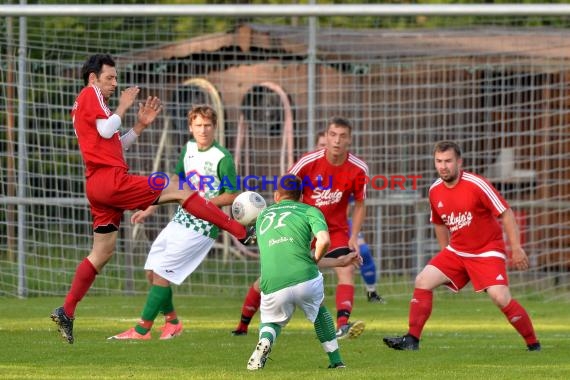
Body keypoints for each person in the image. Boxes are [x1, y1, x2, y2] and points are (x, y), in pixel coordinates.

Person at [51, 54, 253, 344]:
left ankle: (67, 310)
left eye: (116, 78)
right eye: (110, 77)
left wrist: (141, 125)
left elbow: (114, 144)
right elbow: (108, 129)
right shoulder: (90, 93)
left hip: (97, 185)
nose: (115, 83)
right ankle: (240, 231)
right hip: (111, 181)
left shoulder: (89, 106)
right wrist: (124, 105)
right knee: (177, 185)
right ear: (94, 78)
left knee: (102, 253)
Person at [383, 140, 541, 351]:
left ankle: (533, 344)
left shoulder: (477, 184)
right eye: (438, 161)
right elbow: (438, 223)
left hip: (487, 251)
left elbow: (506, 213)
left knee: (499, 296)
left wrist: (516, 248)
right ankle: (412, 340)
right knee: (423, 280)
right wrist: (444, 254)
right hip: (457, 251)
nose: (443, 166)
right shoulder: (435, 190)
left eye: (448, 161)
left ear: (459, 162)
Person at [108, 105, 238, 340]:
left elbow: (232, 194)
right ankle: (173, 323)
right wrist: (148, 208)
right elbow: (174, 182)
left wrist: (205, 203)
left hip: (203, 224)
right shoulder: (188, 149)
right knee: (151, 271)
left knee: (161, 274)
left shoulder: (223, 157)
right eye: (198, 125)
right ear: (190, 127)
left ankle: (142, 330)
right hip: (181, 218)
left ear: (215, 127)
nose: (203, 130)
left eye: (208, 125)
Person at [246, 175, 362, 370]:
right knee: (318, 311)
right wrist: (317, 259)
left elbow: (292, 255)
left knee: (270, 322)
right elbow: (323, 241)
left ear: (276, 196)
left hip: (272, 283)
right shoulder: (309, 210)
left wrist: (338, 262)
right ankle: (336, 362)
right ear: (301, 197)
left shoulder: (262, 217)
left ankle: (265, 340)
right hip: (305, 279)